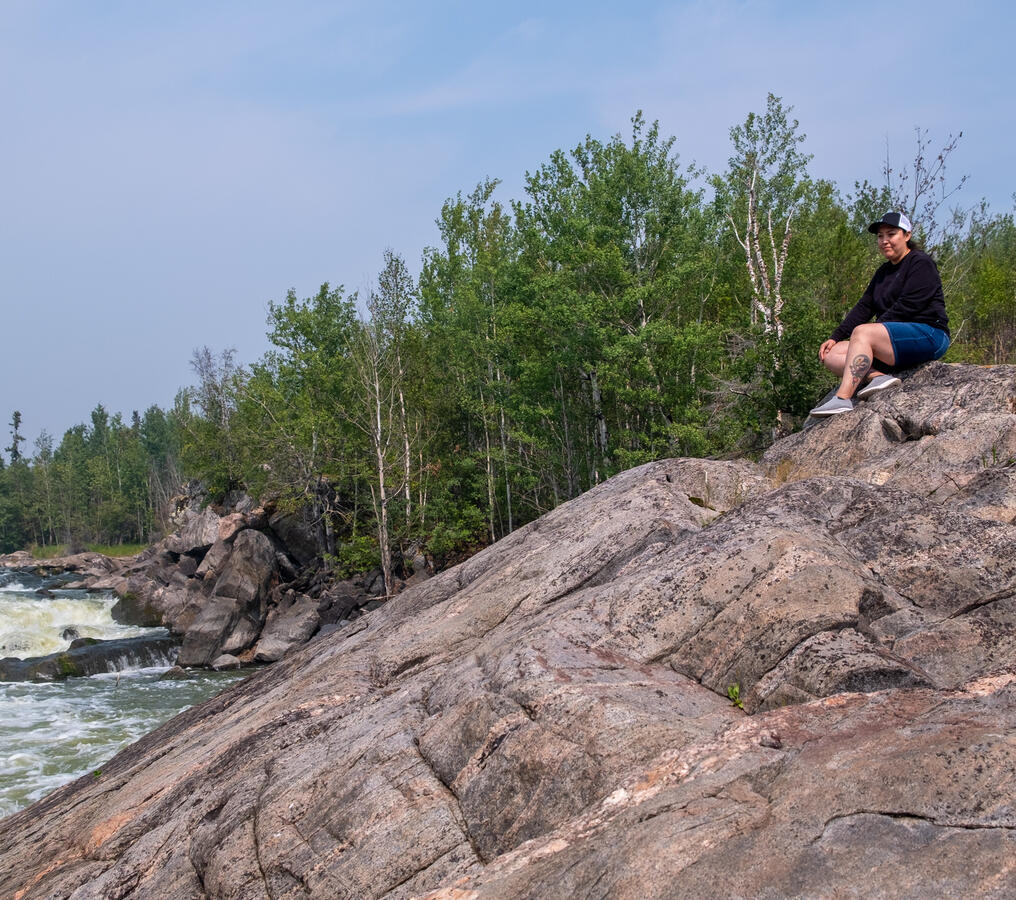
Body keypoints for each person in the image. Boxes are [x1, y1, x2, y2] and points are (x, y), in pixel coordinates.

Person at [809, 211, 950, 416]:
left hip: (930, 335)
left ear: (907, 235)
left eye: (891, 234)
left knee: (863, 333)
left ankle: (842, 399)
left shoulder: (920, 263)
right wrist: (836, 336)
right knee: (831, 354)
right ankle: (877, 377)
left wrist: (872, 333)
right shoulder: (883, 272)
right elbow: (864, 307)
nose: (884, 241)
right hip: (892, 342)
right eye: (880, 236)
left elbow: (910, 305)